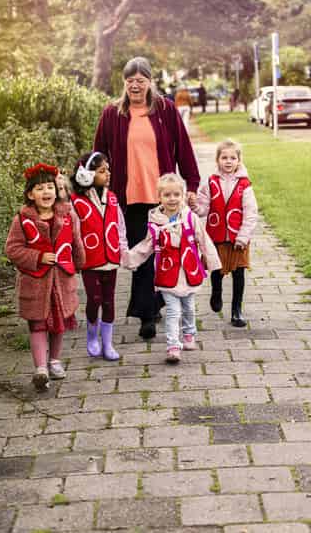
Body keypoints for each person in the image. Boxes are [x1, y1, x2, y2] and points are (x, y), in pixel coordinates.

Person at [94, 56, 200, 340]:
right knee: (141, 255)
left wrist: (192, 183)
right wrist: (97, 187)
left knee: (165, 253)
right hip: (130, 199)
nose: (135, 86)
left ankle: (157, 302)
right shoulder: (112, 113)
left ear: (150, 82)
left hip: (165, 198)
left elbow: (183, 148)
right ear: (124, 83)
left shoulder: (165, 109)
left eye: (140, 81)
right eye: (130, 81)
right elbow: (99, 154)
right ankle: (147, 315)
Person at [123, 173, 221, 362]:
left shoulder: (190, 218)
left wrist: (212, 261)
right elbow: (146, 246)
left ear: (183, 196)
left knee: (189, 308)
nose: (172, 199)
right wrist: (129, 259)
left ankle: (189, 333)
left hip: (189, 272)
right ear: (159, 197)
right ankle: (173, 346)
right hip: (167, 274)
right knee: (173, 312)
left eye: (176, 194)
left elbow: (203, 240)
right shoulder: (155, 223)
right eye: (167, 195)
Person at [5, 162, 85, 390]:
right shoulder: (22, 219)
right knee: (38, 323)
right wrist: (38, 256)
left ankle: (55, 361)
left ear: (57, 191)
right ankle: (40, 368)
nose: (46, 192)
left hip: (61, 280)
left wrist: (79, 263)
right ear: (31, 194)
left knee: (59, 323)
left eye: (50, 187)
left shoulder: (68, 216)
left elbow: (76, 241)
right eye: (39, 189)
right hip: (36, 282)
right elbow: (12, 249)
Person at [70, 151, 128, 360]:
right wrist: (74, 257)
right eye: (102, 171)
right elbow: (72, 232)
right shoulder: (75, 202)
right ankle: (92, 336)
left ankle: (108, 343)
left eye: (108, 170)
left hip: (111, 259)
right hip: (90, 260)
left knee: (109, 301)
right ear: (86, 175)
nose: (108, 174)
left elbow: (120, 226)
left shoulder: (112, 198)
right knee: (94, 299)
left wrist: (122, 249)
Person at [194, 139, 258, 327]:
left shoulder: (245, 185)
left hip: (238, 238)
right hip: (217, 236)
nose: (228, 161)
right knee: (216, 270)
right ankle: (216, 292)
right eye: (224, 158)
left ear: (239, 160)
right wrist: (195, 206)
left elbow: (251, 212)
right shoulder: (210, 182)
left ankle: (236, 310)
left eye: (232, 158)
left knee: (239, 273)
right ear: (217, 160)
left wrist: (244, 236)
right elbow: (203, 208)